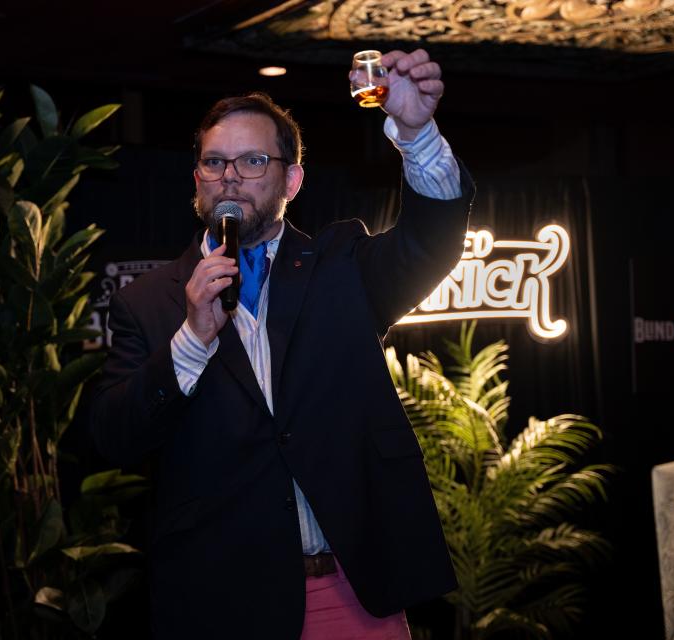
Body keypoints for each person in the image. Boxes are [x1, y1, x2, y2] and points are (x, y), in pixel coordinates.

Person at [92, 49, 474, 640]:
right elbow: (115, 437)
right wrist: (192, 339)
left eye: (252, 160)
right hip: (219, 605)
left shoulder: (340, 266)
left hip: (349, 592)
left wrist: (417, 133)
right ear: (196, 178)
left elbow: (432, 242)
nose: (230, 176)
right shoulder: (148, 302)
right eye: (214, 162)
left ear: (292, 179)